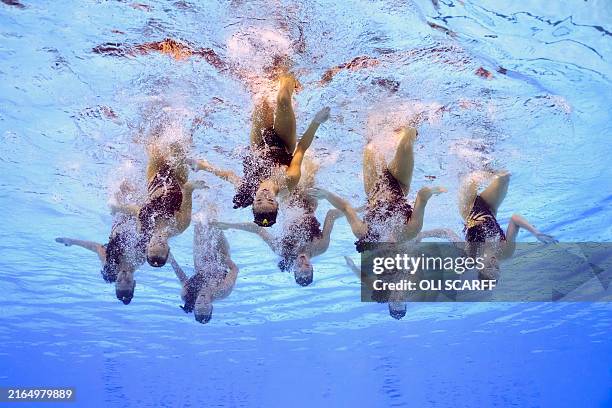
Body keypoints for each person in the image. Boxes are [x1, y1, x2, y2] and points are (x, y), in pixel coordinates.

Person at [189, 73, 330, 227]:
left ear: (253, 202)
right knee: (283, 99)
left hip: (258, 143)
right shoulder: (288, 181)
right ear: (277, 204)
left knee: (261, 100)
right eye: (270, 200)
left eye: (259, 200)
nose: (264, 195)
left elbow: (227, 175)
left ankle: (269, 73)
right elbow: (301, 149)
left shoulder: (248, 188)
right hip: (283, 142)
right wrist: (316, 122)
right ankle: (289, 73)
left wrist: (203, 166)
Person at [311, 125, 446, 252]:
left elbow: (346, 207)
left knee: (371, 145)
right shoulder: (410, 231)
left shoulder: (363, 232)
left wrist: (326, 195)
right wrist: (432, 191)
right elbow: (422, 197)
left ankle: (384, 128)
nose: (390, 245)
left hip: (374, 186)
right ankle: (404, 132)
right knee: (407, 139)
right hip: (399, 184)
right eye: (394, 250)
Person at [111, 139, 205, 268]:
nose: (158, 240)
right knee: (176, 145)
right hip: (178, 177)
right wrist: (193, 186)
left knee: (155, 144)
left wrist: (117, 208)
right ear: (168, 249)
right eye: (162, 245)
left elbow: (136, 210)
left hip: (155, 177)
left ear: (147, 246)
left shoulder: (143, 228)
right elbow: (187, 190)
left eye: (153, 244)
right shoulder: (180, 226)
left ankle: (139, 135)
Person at [55, 181, 145, 304]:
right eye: (128, 281)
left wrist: (72, 241)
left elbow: (96, 247)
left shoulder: (110, 265)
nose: (123, 277)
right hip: (135, 215)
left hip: (119, 217)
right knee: (139, 190)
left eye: (119, 281)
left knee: (122, 186)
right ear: (134, 283)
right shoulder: (140, 259)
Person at [457, 170, 557, 278]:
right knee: (504, 176)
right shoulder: (506, 252)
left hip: (468, 207)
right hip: (489, 208)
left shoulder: (471, 256)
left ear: (480, 267)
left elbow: (445, 232)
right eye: (497, 268)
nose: (494, 264)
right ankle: (484, 161)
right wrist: (535, 233)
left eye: (490, 267)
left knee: (472, 177)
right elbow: (515, 218)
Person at [168, 212, 239, 324]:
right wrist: (220, 256)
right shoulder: (223, 291)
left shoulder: (187, 295)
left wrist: (171, 259)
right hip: (221, 257)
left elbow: (182, 278)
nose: (202, 300)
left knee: (199, 223)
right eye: (205, 304)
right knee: (214, 223)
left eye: (198, 304)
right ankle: (215, 202)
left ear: (194, 305)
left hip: (201, 261)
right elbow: (235, 269)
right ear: (211, 307)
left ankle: (202, 198)